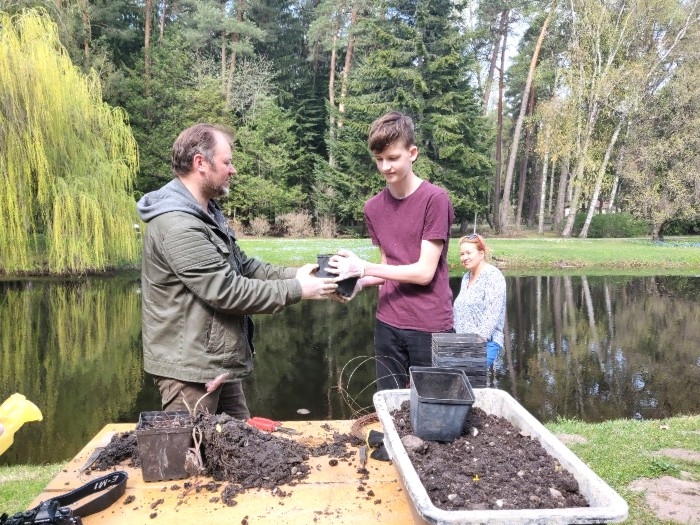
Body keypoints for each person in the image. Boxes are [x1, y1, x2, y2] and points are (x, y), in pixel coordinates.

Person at [136, 123, 337, 420]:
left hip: (214, 360)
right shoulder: (178, 224)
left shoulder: (206, 212)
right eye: (227, 162)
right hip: (189, 371)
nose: (233, 170)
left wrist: (298, 274)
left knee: (239, 445)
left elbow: (245, 267)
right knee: (191, 460)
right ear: (200, 163)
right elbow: (227, 291)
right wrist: (299, 290)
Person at [329, 111, 455, 390]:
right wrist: (358, 282)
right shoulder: (373, 208)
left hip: (430, 325)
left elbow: (424, 273)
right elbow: (389, 267)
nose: (385, 167)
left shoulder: (435, 200)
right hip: (387, 323)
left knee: (434, 410)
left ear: (413, 153)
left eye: (393, 158)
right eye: (379, 159)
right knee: (389, 403)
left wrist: (363, 267)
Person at [452, 233, 506, 367]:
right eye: (461, 254)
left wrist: (476, 345)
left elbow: (492, 314)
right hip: (463, 344)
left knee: (472, 379)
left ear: (481, 254)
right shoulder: (466, 277)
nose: (464, 257)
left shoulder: (493, 276)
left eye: (469, 253)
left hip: (485, 344)